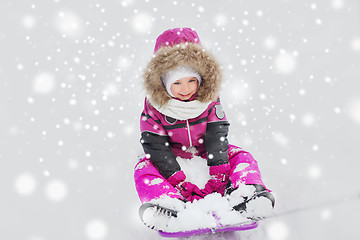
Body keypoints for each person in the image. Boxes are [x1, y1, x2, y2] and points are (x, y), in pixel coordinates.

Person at [134, 27, 274, 227]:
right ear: (164, 83)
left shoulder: (208, 99)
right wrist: (176, 179)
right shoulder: (155, 107)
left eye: (192, 80)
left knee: (242, 156)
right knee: (143, 168)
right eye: (178, 83)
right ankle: (166, 205)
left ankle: (248, 195)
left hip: (205, 153)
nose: (186, 89)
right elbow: (155, 145)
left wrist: (219, 170)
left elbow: (217, 133)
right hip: (172, 158)